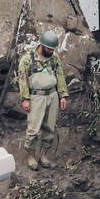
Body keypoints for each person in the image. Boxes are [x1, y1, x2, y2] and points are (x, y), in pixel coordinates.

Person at [17, 30, 69, 171]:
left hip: (52, 96)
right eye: (48, 48)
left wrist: (63, 95)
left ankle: (44, 155)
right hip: (36, 97)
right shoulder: (28, 59)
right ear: (42, 45)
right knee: (34, 129)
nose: (51, 51)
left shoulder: (54, 58)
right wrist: (25, 99)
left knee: (50, 127)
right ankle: (31, 155)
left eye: (53, 49)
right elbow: (22, 80)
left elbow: (60, 75)